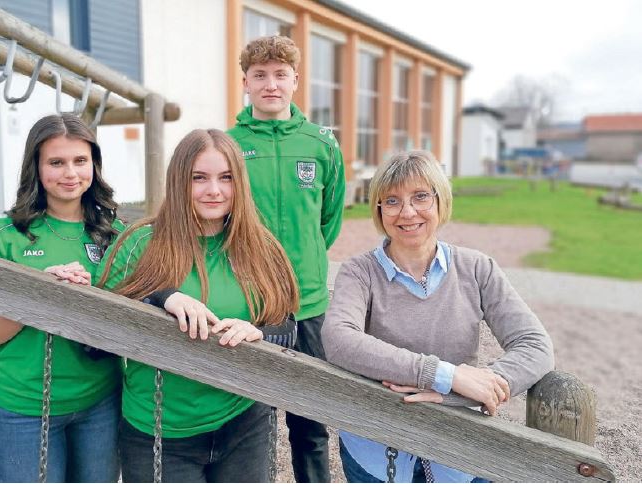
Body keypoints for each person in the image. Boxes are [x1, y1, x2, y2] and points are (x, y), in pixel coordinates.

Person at [321, 150, 555, 483]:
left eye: (420, 197)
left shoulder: (476, 268)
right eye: (391, 201)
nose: (407, 212)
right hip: (376, 450)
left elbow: (535, 346)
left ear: (440, 200)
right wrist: (444, 375)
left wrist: (458, 392)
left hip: (457, 450)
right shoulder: (360, 272)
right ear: (378, 209)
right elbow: (340, 340)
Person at [95, 128, 300, 482]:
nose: (214, 190)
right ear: (179, 181)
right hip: (159, 429)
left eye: (226, 178)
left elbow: (289, 329)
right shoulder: (141, 242)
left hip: (243, 421)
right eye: (199, 178)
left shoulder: (260, 246)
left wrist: (258, 333)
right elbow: (93, 331)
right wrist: (162, 296)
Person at [0, 114, 124, 482]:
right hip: (24, 407)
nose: (70, 173)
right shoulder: (3, 234)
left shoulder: (114, 234)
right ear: (36, 168)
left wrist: (90, 298)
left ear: (94, 165)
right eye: (56, 162)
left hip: (99, 402)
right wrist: (39, 294)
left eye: (80, 161)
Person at [226, 34, 346, 483]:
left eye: (280, 75)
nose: (270, 84)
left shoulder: (321, 144)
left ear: (295, 81)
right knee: (250, 419)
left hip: (309, 303)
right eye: (260, 75)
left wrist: (304, 259)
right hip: (249, 304)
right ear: (246, 82)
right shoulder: (229, 144)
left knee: (310, 423)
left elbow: (329, 220)